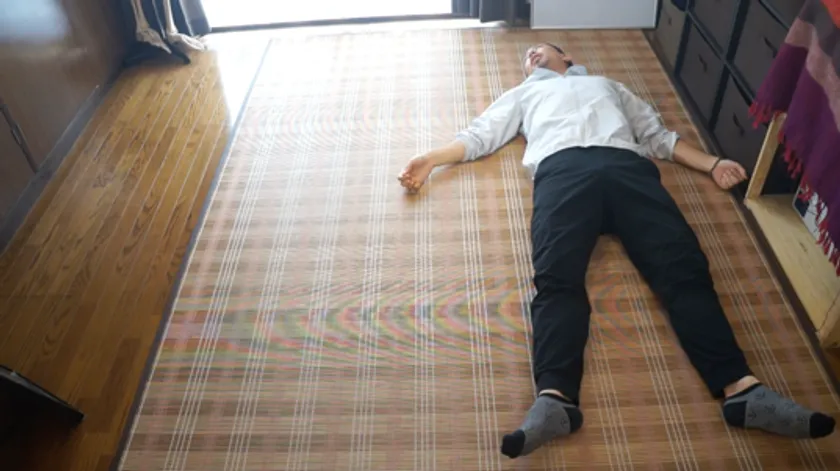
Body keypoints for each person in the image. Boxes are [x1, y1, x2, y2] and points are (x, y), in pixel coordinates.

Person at [397, 43, 836, 459]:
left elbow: (657, 136)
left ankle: (741, 389)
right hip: (562, 171)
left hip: (628, 168)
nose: (530, 54)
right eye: (526, 57)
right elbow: (481, 135)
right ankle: (555, 399)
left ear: (566, 56)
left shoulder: (607, 85)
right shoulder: (523, 94)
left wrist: (713, 163)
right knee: (556, 278)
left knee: (684, 268)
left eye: (541, 48)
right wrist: (431, 159)